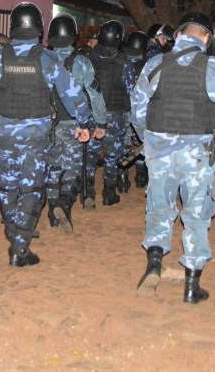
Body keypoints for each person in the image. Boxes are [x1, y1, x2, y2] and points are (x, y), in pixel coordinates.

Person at [132, 12, 215, 304]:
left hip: (159, 151)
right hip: (197, 153)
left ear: (178, 35)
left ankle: (154, 263)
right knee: (197, 214)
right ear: (207, 37)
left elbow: (138, 111)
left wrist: (151, 139)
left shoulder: (155, 64)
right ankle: (191, 285)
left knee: (159, 208)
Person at [0, 2, 91, 267]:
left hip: (4, 133)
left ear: (13, 27)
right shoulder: (48, 59)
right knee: (32, 187)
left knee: (6, 186)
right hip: (36, 134)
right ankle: (20, 246)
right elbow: (72, 95)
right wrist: (84, 122)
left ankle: (15, 230)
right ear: (39, 28)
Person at [45, 14, 106, 231]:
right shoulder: (81, 62)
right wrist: (101, 122)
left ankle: (52, 210)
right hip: (74, 124)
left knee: (52, 168)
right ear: (73, 35)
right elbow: (95, 94)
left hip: (47, 125)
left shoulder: (42, 60)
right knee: (73, 169)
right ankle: (63, 204)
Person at [84, 20, 129, 206]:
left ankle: (88, 193)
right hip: (115, 116)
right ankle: (109, 193)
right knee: (112, 155)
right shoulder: (124, 62)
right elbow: (131, 90)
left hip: (92, 114)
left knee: (90, 154)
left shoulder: (87, 58)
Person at [120, 30, 148, 191]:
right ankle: (140, 176)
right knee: (140, 144)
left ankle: (122, 178)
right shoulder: (147, 65)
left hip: (121, 110)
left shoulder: (119, 61)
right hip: (140, 111)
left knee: (123, 144)